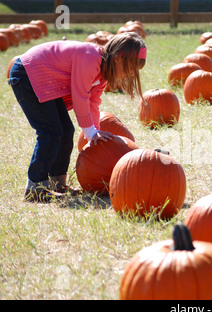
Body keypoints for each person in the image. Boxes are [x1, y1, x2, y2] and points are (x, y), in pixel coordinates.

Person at [8, 32, 146, 203]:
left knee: (66, 131)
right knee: (50, 132)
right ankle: (35, 188)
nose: (130, 74)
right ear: (118, 58)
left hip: (44, 79)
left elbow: (92, 102)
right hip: (27, 73)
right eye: (131, 68)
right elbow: (80, 96)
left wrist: (93, 134)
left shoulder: (102, 72)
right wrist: (90, 131)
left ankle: (57, 183)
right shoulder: (90, 58)